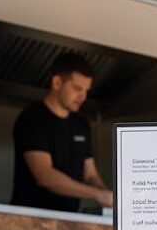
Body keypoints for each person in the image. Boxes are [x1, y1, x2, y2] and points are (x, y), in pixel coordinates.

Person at [11, 53, 112, 212]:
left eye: (86, 90)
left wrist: (106, 195)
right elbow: (44, 175)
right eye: (77, 88)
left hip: (68, 221)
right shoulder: (32, 119)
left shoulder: (81, 125)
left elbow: (90, 175)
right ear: (57, 83)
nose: (83, 97)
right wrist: (96, 194)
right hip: (30, 221)